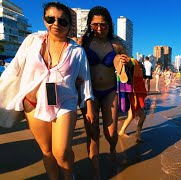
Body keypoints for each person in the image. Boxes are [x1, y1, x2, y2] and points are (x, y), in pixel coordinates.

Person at [0, 2, 95, 179]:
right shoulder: (32, 41)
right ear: (44, 20)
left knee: (61, 152)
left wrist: (88, 105)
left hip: (65, 103)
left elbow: (86, 80)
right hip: (32, 103)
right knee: (47, 151)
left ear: (69, 24)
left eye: (62, 21)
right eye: (51, 19)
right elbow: (15, 68)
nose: (56, 24)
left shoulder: (77, 51)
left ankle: (69, 175)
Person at [77, 6, 131, 179]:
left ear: (109, 25)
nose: (99, 28)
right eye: (95, 24)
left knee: (111, 132)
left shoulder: (116, 44)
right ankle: (96, 172)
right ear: (89, 24)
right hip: (89, 94)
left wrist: (128, 62)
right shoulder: (82, 43)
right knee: (92, 133)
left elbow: (128, 66)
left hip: (110, 92)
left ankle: (113, 148)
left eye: (103, 24)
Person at [119, 58, 147, 143]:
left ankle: (122, 131)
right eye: (140, 69)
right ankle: (137, 135)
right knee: (141, 116)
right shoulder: (132, 77)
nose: (141, 71)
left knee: (131, 116)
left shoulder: (131, 77)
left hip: (132, 95)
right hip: (133, 96)